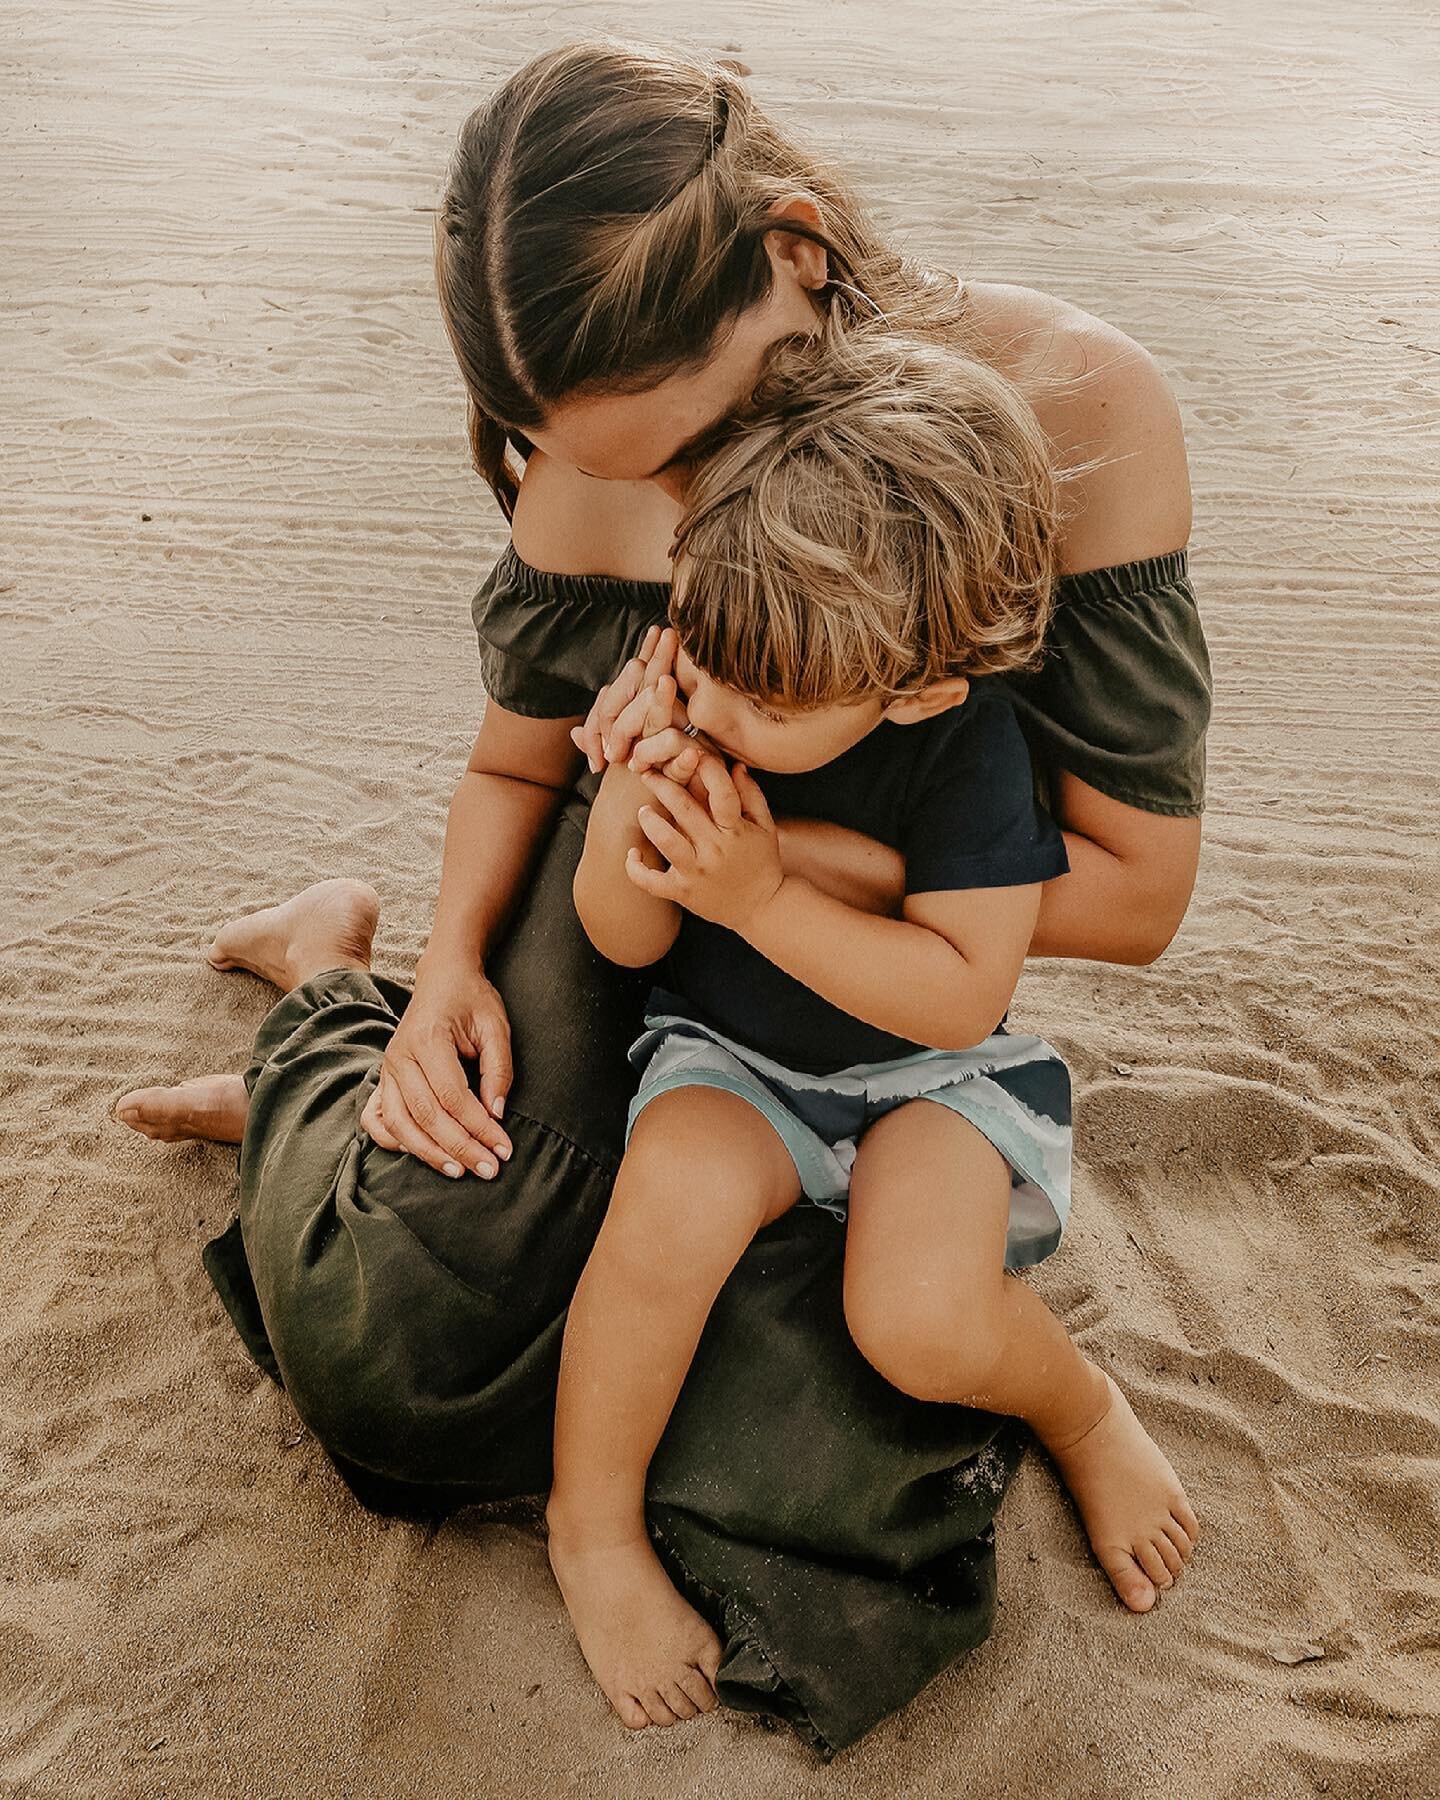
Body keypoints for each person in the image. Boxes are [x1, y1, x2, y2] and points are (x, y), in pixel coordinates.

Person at [113, 39, 1211, 1752]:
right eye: (635, 476)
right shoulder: (603, 446)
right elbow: (521, 768)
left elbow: (1135, 896)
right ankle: (332, 1021)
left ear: (798, 253)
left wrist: (778, 877)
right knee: (409, 1350)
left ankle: (316, 1091)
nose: (685, 519)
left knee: (841, 1458)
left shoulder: (1069, 411)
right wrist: (465, 960)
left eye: (703, 443)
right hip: (646, 904)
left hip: (869, 970)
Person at [543, 326, 1197, 1730]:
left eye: (762, 703)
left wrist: (765, 893)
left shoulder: (969, 750)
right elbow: (624, 940)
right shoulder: (712, 668)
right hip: (733, 1061)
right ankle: (588, 1526)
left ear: (914, 686)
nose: (712, 706)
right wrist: (625, 818)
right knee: (666, 1208)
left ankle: (1080, 1410)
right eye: (697, 653)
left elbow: (963, 988)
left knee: (916, 1319)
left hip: (931, 1076)